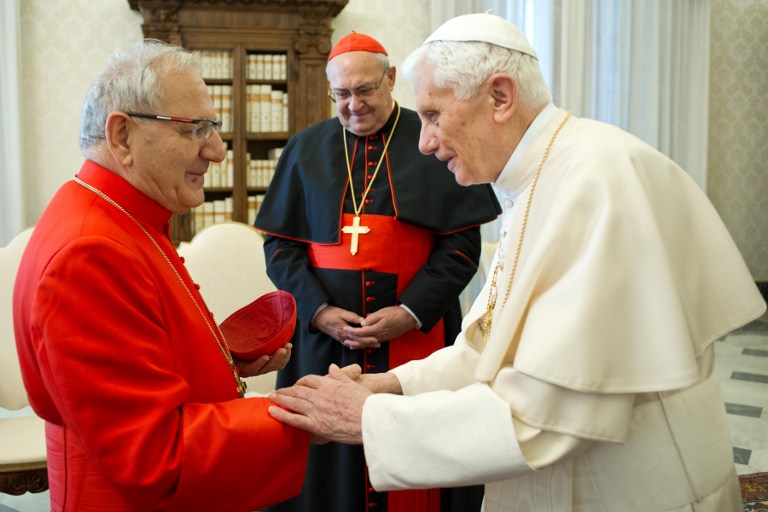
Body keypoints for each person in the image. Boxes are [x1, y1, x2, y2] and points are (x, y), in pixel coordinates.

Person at [266, 13, 768, 512]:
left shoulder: (596, 181)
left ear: (500, 97)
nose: (424, 142)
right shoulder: (533, 182)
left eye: (435, 116)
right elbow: (488, 347)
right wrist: (392, 384)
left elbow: (548, 413)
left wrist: (369, 418)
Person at [13, 40, 311, 511]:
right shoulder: (89, 253)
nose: (216, 150)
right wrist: (305, 416)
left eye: (213, 127)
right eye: (195, 129)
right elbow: (153, 455)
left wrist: (222, 363)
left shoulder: (120, 216)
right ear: (123, 136)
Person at [254, 32, 500, 512]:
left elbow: (461, 245)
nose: (353, 105)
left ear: (391, 79)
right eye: (341, 95)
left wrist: (411, 312)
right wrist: (319, 310)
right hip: (324, 340)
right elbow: (281, 247)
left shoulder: (433, 142)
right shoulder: (306, 150)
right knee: (324, 474)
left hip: (415, 337)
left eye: (365, 90)